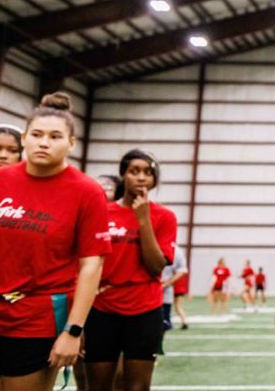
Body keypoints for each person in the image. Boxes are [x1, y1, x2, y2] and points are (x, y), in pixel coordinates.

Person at [0, 92, 110, 391]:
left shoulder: (87, 192)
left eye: (55, 136)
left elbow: (92, 266)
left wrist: (73, 331)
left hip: (37, 320)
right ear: (24, 139)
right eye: (36, 134)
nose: (44, 142)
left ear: (71, 143)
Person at [85, 149, 178, 391]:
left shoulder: (165, 217)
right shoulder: (102, 212)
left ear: (154, 179)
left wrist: (143, 220)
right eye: (134, 171)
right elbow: (88, 262)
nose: (141, 177)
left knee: (136, 388)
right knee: (98, 386)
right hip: (102, 309)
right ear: (123, 175)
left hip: (145, 312)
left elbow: (156, 266)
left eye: (148, 173)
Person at [160, 246, 189, 340]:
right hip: (143, 294)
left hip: (166, 294)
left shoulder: (175, 250)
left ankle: (155, 352)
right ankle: (184, 321)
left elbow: (182, 270)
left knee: (177, 307)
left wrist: (166, 284)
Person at [172, 254, 191, 330]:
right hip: (180, 289)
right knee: (178, 306)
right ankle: (184, 321)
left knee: (177, 307)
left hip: (176, 289)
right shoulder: (182, 273)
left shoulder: (176, 273)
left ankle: (184, 322)